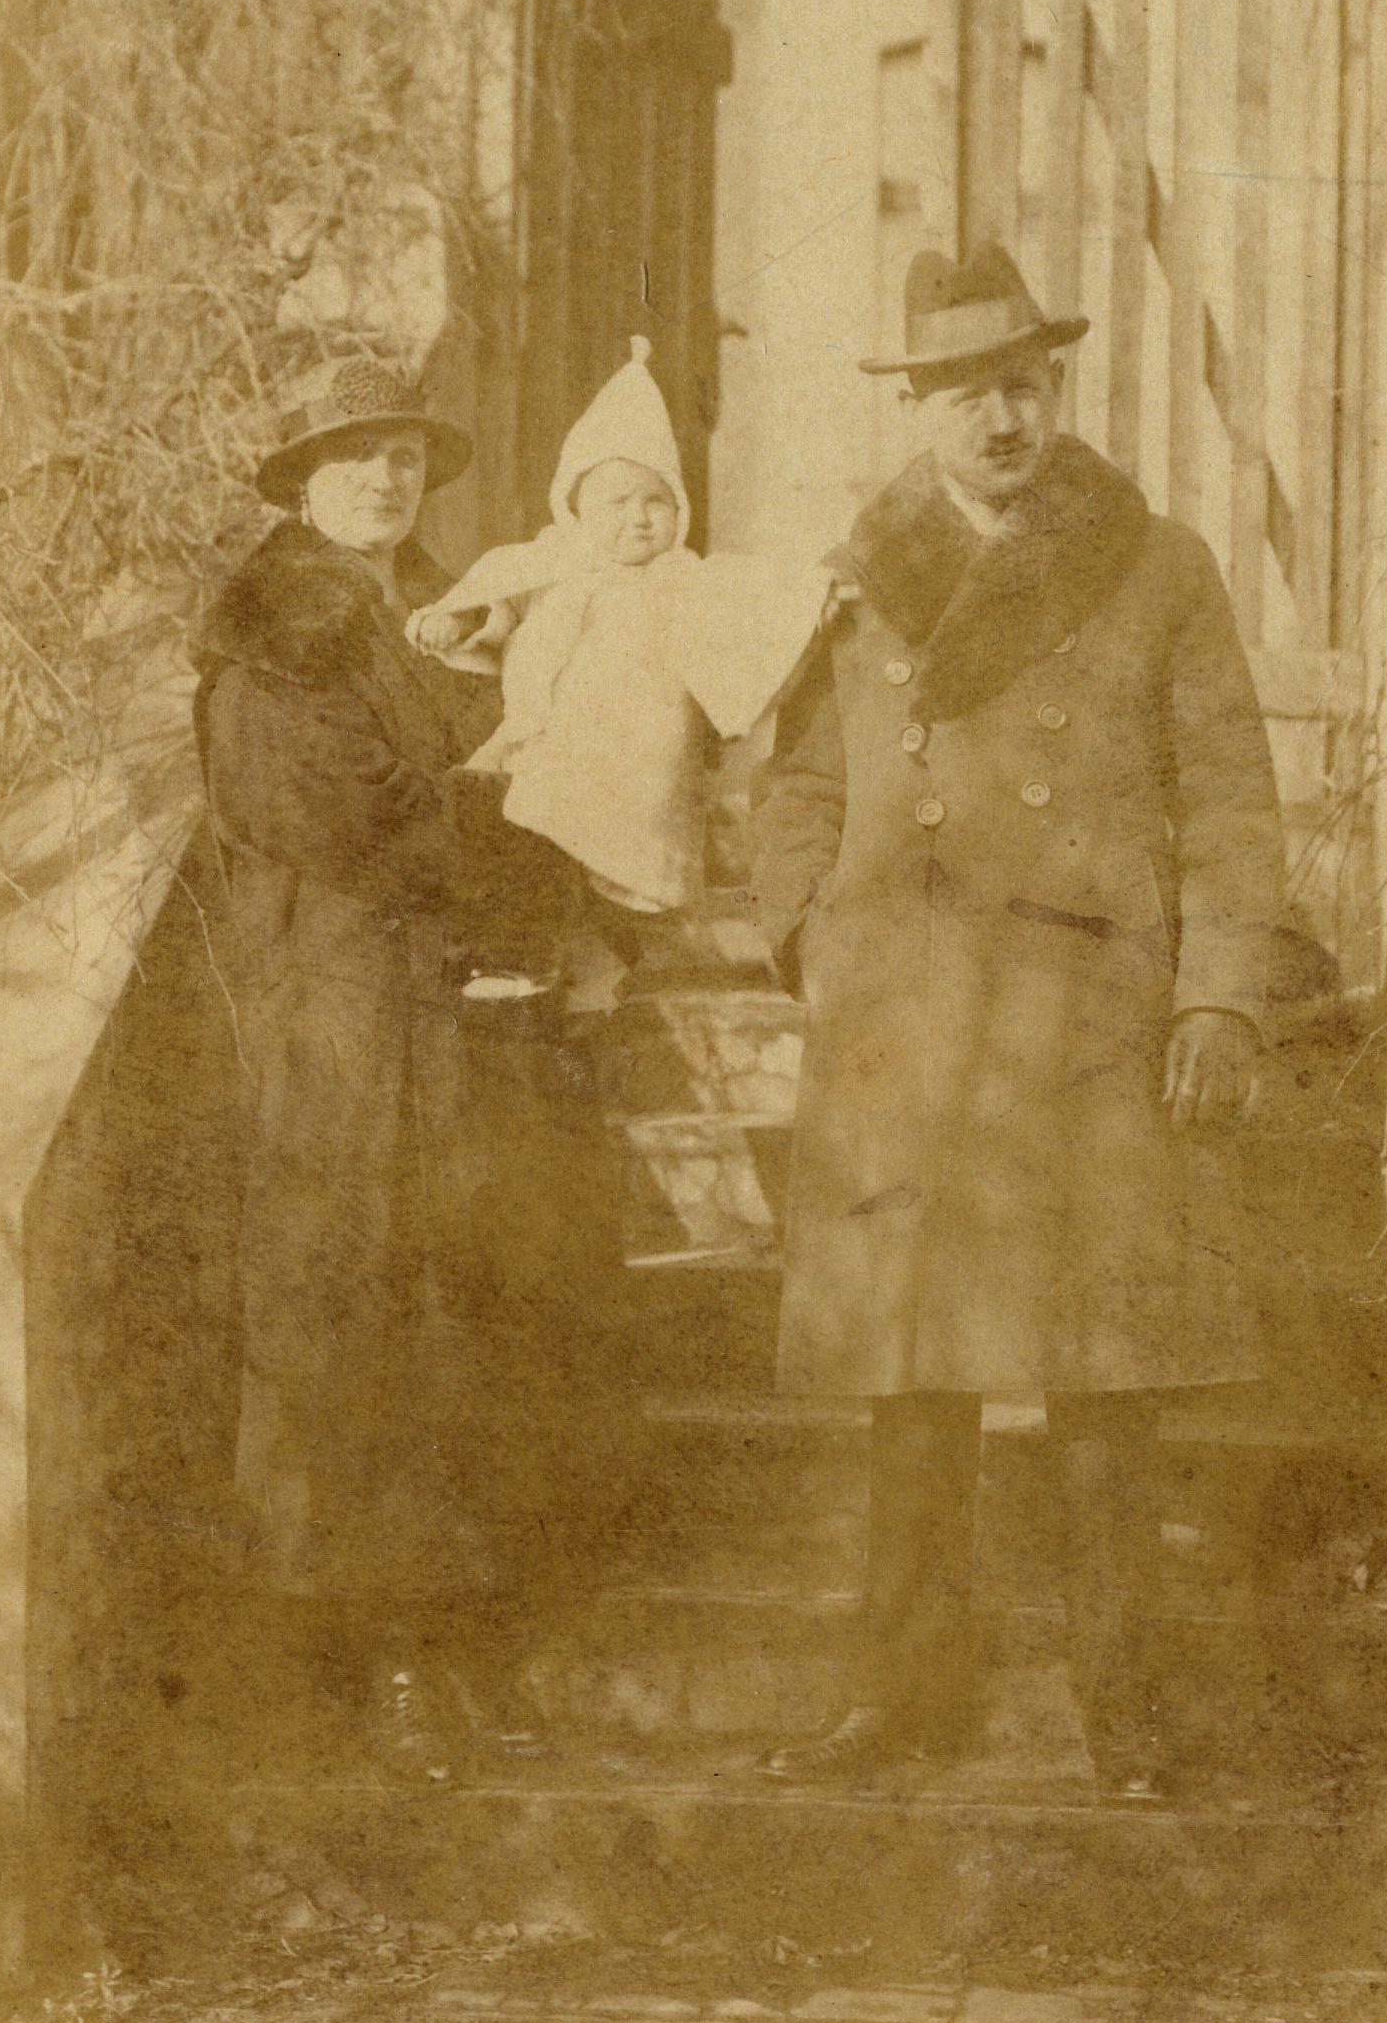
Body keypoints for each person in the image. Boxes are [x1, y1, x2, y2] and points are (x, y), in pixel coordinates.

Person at [749, 248, 1284, 1799]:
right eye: (965, 393)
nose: (1001, 419)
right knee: (909, 1377)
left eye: (1023, 387)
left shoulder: (1153, 564)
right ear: (916, 407)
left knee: (1103, 1383)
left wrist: (1218, 993)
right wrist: (806, 935)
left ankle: (1125, 1712)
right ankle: (898, 1696)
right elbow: (794, 784)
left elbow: (1229, 800)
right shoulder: (857, 576)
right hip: (904, 1011)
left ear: (1052, 392)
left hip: (1088, 1013)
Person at [192, 356, 593, 1779]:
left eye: (405, 453)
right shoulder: (276, 638)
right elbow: (338, 818)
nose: (384, 476)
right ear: (301, 482)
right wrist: (503, 803)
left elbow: (550, 760)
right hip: (333, 1016)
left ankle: (456, 1639)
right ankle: (357, 1661)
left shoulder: (448, 614)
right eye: (352, 454)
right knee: (340, 1318)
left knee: (460, 1315)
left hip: (452, 1016)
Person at [407, 335, 838, 944]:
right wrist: (456, 622)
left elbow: (753, 598)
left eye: (656, 501)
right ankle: (530, 944)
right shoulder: (551, 560)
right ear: (576, 506)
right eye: (618, 502)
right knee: (510, 832)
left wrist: (812, 598)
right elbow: (498, 605)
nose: (638, 517)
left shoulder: (681, 575)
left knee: (621, 860)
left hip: (637, 760)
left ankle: (624, 933)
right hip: (547, 741)